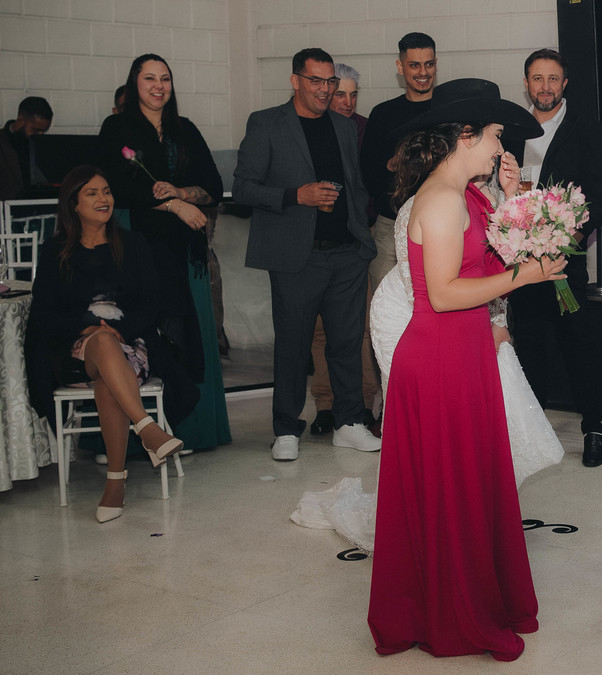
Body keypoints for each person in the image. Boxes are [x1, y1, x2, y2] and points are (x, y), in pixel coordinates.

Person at [368, 78, 565, 661]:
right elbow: (445, 293)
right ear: (465, 135)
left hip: (463, 350)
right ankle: (452, 615)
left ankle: (471, 600)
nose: (501, 146)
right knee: (450, 491)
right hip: (439, 357)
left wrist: (515, 202)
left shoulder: (466, 194)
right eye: (496, 135)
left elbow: (487, 251)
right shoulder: (442, 200)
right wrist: (525, 276)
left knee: (466, 485)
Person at [370, 155, 563, 487]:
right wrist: (489, 319)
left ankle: (467, 492)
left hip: (465, 307)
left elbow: (491, 265)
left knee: (470, 422)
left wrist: (512, 196)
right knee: (428, 425)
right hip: (406, 312)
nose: (499, 151)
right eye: (494, 137)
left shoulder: (485, 198)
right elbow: (424, 288)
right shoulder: (431, 202)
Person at [233, 47, 380, 460]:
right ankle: (286, 428)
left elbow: (355, 184)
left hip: (347, 254)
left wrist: (360, 235)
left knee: (346, 343)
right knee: (293, 346)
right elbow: (243, 187)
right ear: (295, 80)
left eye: (330, 81)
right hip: (297, 257)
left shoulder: (344, 126)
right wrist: (295, 196)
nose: (325, 89)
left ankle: (349, 423)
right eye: (316, 80)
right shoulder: (266, 123)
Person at [29, 166, 186, 523]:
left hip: (130, 345)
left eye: (107, 191)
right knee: (100, 341)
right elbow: (43, 313)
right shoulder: (55, 251)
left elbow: (153, 302)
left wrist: (122, 330)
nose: (104, 199)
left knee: (107, 378)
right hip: (74, 351)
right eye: (92, 193)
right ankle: (147, 428)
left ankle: (115, 483)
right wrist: (86, 326)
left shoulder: (132, 244)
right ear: (73, 204)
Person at [98, 54, 231, 452]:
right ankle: (131, 439)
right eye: (150, 78)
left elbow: (213, 185)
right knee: (143, 335)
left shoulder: (184, 129)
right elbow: (119, 187)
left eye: (165, 79)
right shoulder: (117, 127)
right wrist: (175, 207)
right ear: (134, 83)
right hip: (135, 246)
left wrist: (181, 192)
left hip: (184, 251)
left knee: (186, 337)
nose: (159, 86)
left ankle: (189, 429)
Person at [504, 48, 602, 467]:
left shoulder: (586, 128)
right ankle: (533, 436)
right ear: (526, 83)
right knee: (529, 345)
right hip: (522, 261)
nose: (545, 86)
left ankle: (594, 429)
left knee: (578, 344)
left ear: (564, 84)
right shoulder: (513, 130)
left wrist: (567, 240)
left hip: (566, 261)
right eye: (537, 78)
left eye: (553, 79)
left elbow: (598, 198)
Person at [309, 61, 382, 437]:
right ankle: (324, 405)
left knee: (362, 327)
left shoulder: (366, 130)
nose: (348, 102)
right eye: (341, 94)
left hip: (358, 238)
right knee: (320, 332)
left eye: (354, 95)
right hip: (315, 241)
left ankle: (365, 402)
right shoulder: (308, 128)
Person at [361, 32, 438, 295]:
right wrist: (393, 165)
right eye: (414, 65)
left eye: (429, 64)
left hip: (442, 225)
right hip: (391, 227)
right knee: (386, 302)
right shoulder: (382, 114)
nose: (423, 72)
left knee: (436, 302)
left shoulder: (449, 111)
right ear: (400, 67)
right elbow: (367, 177)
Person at [1, 96, 53, 199]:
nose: (40, 134)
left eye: (44, 131)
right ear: (21, 120)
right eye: (35, 130)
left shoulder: (42, 144)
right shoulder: (2, 142)